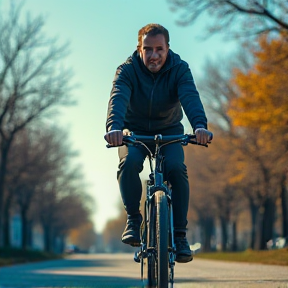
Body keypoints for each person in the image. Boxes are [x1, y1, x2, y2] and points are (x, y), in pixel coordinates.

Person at [105, 23, 212, 263]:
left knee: (176, 169)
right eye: (148, 49)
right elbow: (118, 98)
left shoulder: (179, 69)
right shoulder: (127, 70)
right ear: (139, 49)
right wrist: (114, 128)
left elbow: (190, 97)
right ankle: (134, 219)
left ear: (167, 48)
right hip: (134, 132)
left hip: (170, 131)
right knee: (129, 163)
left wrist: (199, 126)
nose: (154, 55)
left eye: (159, 49)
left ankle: (180, 236)